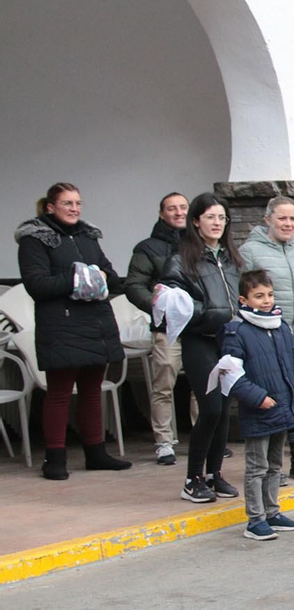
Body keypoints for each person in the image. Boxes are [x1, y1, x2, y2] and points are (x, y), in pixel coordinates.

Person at [16, 182, 132, 480]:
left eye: (78, 203)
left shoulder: (87, 234)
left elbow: (109, 273)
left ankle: (96, 452)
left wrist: (99, 277)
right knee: (59, 393)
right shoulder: (35, 238)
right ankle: (55, 457)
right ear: (50, 207)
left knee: (93, 391)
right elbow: (37, 285)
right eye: (67, 203)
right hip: (61, 324)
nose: (75, 208)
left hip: (96, 321)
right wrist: (79, 278)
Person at [161, 192, 242, 503]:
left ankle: (214, 473)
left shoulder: (231, 257)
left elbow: (239, 294)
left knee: (223, 411)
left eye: (221, 218)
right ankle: (192, 478)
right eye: (210, 217)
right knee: (209, 408)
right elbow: (172, 303)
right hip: (200, 340)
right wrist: (211, 313)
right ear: (195, 221)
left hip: (228, 340)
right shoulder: (180, 259)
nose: (217, 223)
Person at [219, 269, 294, 540]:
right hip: (258, 410)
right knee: (256, 467)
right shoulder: (236, 332)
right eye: (259, 296)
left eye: (269, 294)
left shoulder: (281, 327)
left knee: (275, 466)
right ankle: (255, 520)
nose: (267, 301)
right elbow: (231, 374)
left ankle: (273, 512)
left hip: (283, 407)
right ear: (244, 300)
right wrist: (257, 398)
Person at [241, 196, 294, 480]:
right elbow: (247, 294)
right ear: (268, 219)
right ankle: (272, 466)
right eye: (282, 218)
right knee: (274, 396)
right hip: (268, 337)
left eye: (293, 219)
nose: (288, 224)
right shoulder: (250, 251)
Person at [125, 192, 187, 466]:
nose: (178, 212)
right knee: (163, 385)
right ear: (162, 214)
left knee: (204, 385)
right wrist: (156, 306)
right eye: (171, 209)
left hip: (198, 326)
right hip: (165, 329)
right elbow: (133, 285)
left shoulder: (200, 243)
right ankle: (164, 442)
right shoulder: (147, 248)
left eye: (183, 207)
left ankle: (205, 437)